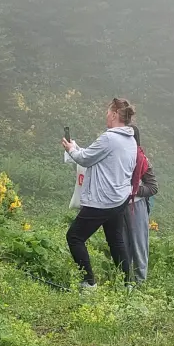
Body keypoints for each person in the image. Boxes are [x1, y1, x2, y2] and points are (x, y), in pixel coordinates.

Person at [63, 97, 138, 289]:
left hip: (101, 201)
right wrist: (78, 149)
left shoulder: (109, 137)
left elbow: (85, 159)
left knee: (74, 237)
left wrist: (71, 149)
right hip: (119, 199)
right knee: (116, 240)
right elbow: (98, 157)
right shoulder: (130, 140)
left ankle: (88, 283)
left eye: (107, 112)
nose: (106, 116)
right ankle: (127, 284)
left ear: (114, 114)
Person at [127, 125, 158, 284]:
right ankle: (125, 281)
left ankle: (140, 283)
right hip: (119, 206)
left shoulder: (141, 159)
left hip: (137, 207)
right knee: (123, 244)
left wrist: (133, 190)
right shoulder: (119, 156)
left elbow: (153, 187)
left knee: (139, 244)